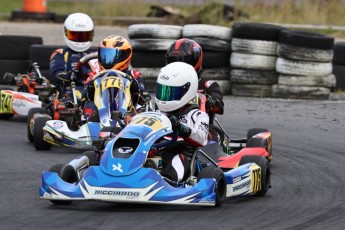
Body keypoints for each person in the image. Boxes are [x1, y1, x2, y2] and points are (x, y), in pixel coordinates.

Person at [155, 62, 209, 183]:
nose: (165, 96)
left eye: (171, 92)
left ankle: (166, 181)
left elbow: (202, 139)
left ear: (187, 91)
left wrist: (182, 128)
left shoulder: (198, 116)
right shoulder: (157, 114)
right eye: (162, 91)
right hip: (155, 152)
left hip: (182, 157)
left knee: (180, 158)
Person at [85, 35, 150, 115]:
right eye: (105, 55)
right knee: (89, 105)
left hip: (126, 113)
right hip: (100, 113)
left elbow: (144, 96)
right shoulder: (96, 75)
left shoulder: (133, 76)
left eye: (113, 56)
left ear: (126, 56)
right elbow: (85, 97)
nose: (108, 60)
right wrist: (91, 86)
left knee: (142, 108)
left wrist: (134, 86)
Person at [165, 38, 224, 117]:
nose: (177, 66)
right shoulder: (167, 84)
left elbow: (219, 106)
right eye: (174, 62)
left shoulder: (208, 85)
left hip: (199, 125)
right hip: (171, 125)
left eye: (182, 62)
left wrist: (211, 101)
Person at [49, 12, 95, 100]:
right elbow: (56, 75)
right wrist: (72, 75)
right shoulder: (60, 54)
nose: (80, 39)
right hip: (71, 90)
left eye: (85, 36)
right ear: (66, 32)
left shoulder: (94, 55)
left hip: (94, 89)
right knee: (78, 96)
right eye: (75, 35)